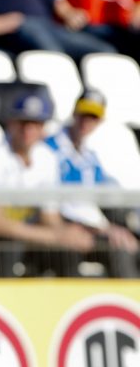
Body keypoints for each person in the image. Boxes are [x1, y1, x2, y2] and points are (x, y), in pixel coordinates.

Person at [0, 82, 96, 276]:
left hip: (4, 235)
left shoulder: (46, 157)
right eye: (23, 122)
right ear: (11, 123)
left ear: (43, 128)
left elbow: (48, 217)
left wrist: (71, 234)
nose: (28, 130)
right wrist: (56, 236)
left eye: (34, 123)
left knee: (66, 252)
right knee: (11, 249)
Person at [43, 88, 139, 277]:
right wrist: (105, 229)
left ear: (99, 122)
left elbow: (106, 191)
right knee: (119, 248)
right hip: (62, 225)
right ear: (74, 113)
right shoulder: (49, 149)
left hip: (92, 225)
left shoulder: (90, 156)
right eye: (83, 114)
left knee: (126, 240)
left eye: (93, 117)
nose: (86, 121)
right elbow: (55, 206)